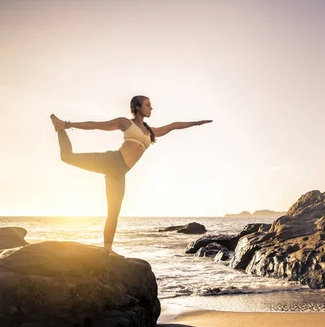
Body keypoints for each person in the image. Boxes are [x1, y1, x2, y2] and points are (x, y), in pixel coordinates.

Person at [50, 95, 212, 257]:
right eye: (148, 105)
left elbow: (172, 126)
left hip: (120, 173)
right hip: (111, 161)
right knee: (67, 157)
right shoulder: (126, 123)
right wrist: (68, 124)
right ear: (137, 107)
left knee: (114, 212)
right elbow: (97, 125)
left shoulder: (150, 132)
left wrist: (196, 123)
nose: (151, 108)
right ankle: (60, 128)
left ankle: (107, 249)